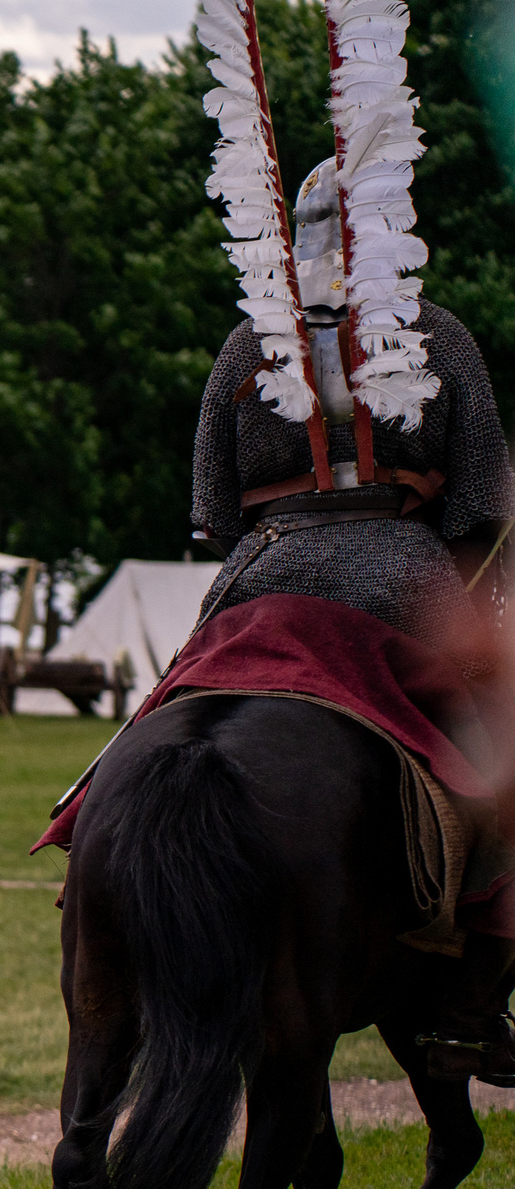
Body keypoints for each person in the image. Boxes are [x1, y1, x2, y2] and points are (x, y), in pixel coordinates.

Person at [190, 159, 514, 1077]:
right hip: (404, 587)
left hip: (261, 585)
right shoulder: (440, 338)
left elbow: (215, 511)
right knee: (500, 765)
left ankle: (88, 849)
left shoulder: (245, 346)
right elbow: (482, 510)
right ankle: (471, 1003)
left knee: (163, 721)